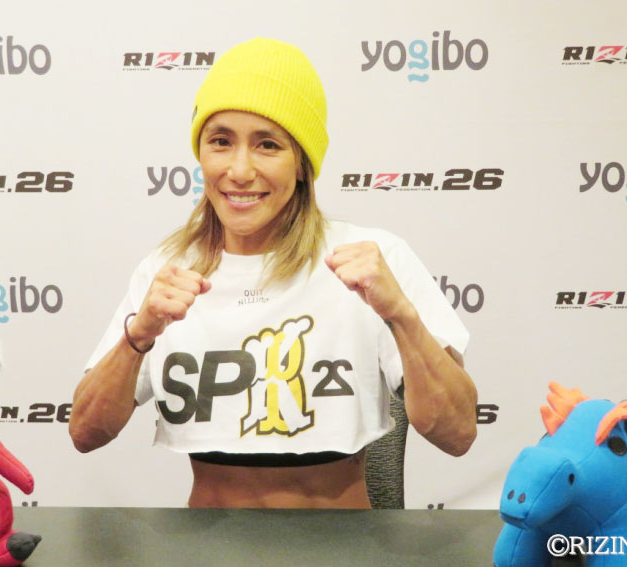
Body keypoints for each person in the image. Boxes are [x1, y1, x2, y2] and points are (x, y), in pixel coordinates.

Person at [69, 37, 477, 509]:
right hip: (206, 544)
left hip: (343, 543)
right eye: (221, 141)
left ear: (302, 163)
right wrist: (138, 335)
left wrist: (401, 316)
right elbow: (85, 432)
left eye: (267, 145)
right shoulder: (167, 269)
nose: (240, 171)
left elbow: (457, 432)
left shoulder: (373, 260)